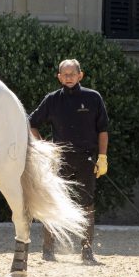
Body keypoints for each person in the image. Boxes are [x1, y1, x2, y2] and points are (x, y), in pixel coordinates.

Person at [28, 59, 108, 263]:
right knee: (52, 202)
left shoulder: (93, 98)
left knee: (87, 204)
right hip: (59, 160)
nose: (69, 77)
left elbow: (103, 130)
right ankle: (48, 250)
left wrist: (102, 156)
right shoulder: (52, 99)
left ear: (80, 75)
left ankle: (87, 251)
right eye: (65, 74)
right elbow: (31, 123)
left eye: (73, 74)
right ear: (59, 77)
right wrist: (45, 147)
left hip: (87, 158)